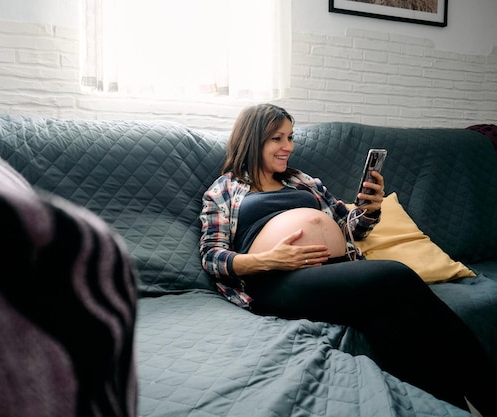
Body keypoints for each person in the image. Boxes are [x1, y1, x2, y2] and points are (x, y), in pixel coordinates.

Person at [199, 103, 497, 416]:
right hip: (276, 280)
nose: (288, 146)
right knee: (396, 276)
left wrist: (370, 209)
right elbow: (212, 255)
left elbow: (350, 227)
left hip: (338, 271)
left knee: (385, 326)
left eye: (290, 137)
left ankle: (455, 409)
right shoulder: (226, 189)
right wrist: (270, 259)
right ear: (252, 139)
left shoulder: (304, 182)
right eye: (277, 138)